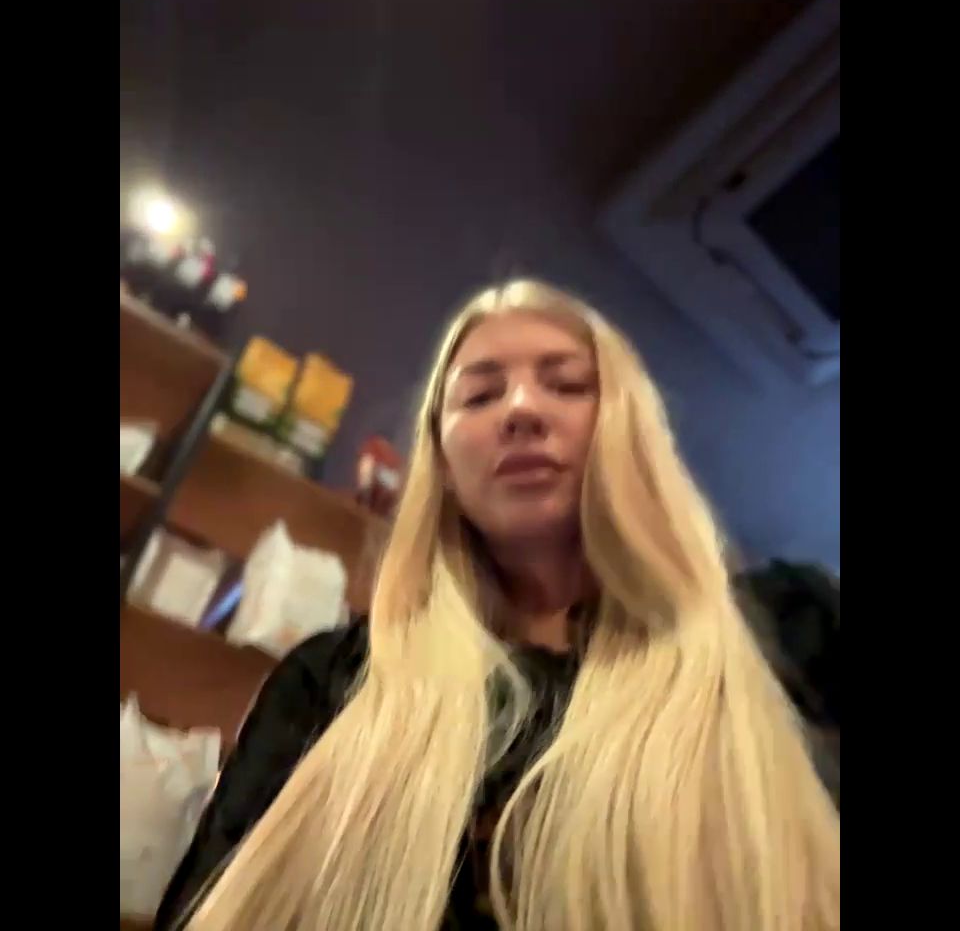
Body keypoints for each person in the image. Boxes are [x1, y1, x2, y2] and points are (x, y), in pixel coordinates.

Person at [155, 279, 840, 931]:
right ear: (443, 465)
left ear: (633, 431)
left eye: (567, 384)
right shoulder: (330, 686)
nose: (521, 410)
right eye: (480, 396)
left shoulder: (789, 637)